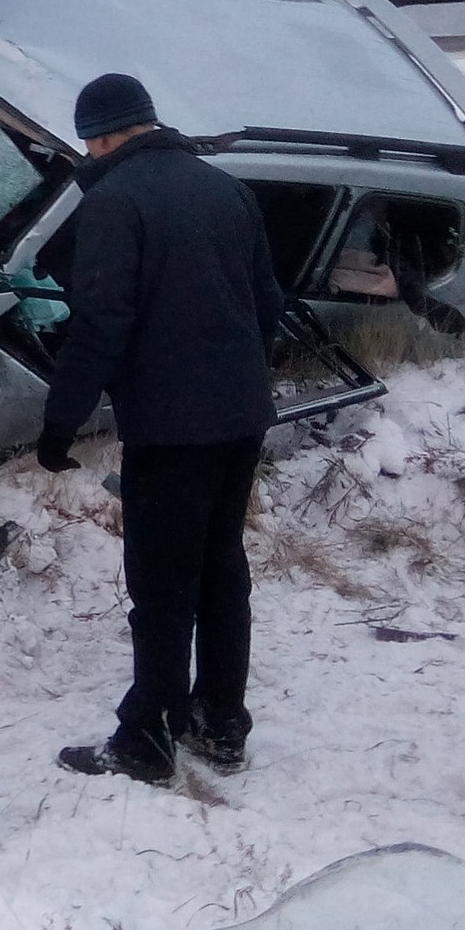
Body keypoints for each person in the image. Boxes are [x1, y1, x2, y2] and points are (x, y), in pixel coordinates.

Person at [37, 71, 284, 785]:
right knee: (220, 567)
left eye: (88, 140)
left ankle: (145, 737)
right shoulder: (226, 189)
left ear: (103, 134)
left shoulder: (116, 202)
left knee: (162, 583)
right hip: (240, 418)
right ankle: (221, 722)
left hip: (171, 427)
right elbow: (268, 301)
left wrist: (61, 421)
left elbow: (101, 323)